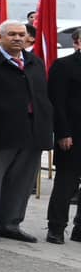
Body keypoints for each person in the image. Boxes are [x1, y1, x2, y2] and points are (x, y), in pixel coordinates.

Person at [0, 19, 53, 242]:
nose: (18, 38)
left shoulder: (34, 62)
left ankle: (10, 223)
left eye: (21, 34)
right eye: (12, 34)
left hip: (31, 132)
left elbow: (42, 98)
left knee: (21, 181)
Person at [47, 28, 81, 244]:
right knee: (66, 184)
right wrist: (62, 133)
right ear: (77, 42)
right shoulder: (64, 66)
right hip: (72, 135)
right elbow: (57, 103)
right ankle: (56, 228)